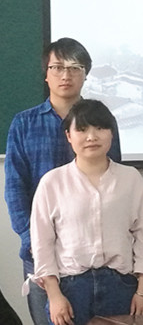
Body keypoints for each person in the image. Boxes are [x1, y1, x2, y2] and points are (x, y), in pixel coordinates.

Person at [4, 38, 121, 325]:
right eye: (57, 67)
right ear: (46, 74)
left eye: (74, 67)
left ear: (86, 73)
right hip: (40, 250)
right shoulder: (24, 123)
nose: (65, 75)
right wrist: (32, 240)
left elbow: (114, 181)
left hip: (93, 253)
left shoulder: (103, 122)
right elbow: (15, 189)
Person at [27, 99, 143, 325]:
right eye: (82, 129)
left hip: (120, 286)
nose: (91, 137)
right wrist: (54, 295)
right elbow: (42, 244)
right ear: (69, 136)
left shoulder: (130, 178)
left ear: (111, 133)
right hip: (70, 287)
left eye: (100, 128)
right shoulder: (52, 182)